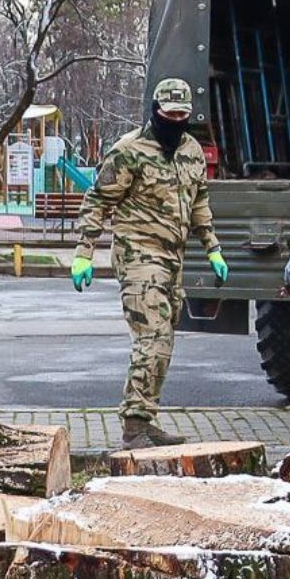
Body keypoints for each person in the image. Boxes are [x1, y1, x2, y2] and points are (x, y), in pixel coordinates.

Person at [70, 78, 229, 449]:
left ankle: (146, 416)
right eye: (169, 114)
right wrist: (83, 252)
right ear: (155, 111)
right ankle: (134, 427)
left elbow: (199, 201)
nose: (176, 121)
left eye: (182, 115)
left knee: (164, 341)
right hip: (139, 256)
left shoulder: (190, 151)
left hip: (174, 259)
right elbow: (98, 200)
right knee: (152, 339)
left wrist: (213, 248)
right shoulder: (130, 151)